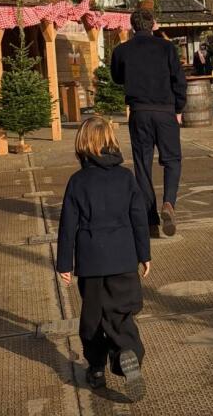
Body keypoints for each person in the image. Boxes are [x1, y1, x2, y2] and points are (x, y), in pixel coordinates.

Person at [56, 115, 151, 400]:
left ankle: (96, 368)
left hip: (92, 263)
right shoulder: (126, 177)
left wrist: (64, 264)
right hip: (123, 259)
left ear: (82, 145)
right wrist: (144, 255)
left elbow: (67, 225)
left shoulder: (78, 182)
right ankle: (126, 353)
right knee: (121, 315)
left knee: (93, 318)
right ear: (112, 142)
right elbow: (139, 219)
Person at [111, 9, 187, 236]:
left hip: (139, 112)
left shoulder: (122, 50)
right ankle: (169, 203)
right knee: (172, 160)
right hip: (165, 111)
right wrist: (179, 108)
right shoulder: (167, 48)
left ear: (132, 26)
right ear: (153, 24)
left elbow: (116, 77)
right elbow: (179, 81)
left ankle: (150, 220)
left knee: (142, 165)